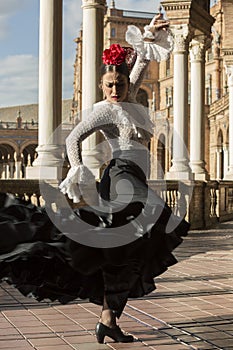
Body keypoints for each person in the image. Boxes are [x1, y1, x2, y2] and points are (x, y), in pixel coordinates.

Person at [0, 13, 189, 344]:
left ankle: (108, 319)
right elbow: (73, 138)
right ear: (102, 85)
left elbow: (142, 59)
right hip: (121, 178)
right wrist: (77, 169)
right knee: (139, 239)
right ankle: (107, 315)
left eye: (120, 83)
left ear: (128, 83)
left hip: (135, 179)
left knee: (129, 255)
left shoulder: (131, 100)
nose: (115, 89)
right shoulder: (104, 109)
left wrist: (152, 32)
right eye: (109, 84)